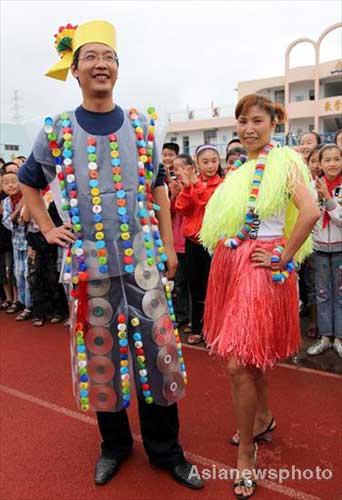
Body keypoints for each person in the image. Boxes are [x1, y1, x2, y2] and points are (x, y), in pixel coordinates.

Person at [18, 20, 203, 490]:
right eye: (91, 57)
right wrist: (46, 225)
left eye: (109, 57)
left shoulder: (142, 126)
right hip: (88, 269)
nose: (101, 65)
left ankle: (166, 451)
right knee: (103, 359)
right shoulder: (57, 131)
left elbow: (159, 187)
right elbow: (29, 182)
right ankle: (114, 446)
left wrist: (165, 243)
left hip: (143, 267)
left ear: (117, 69)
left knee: (159, 357)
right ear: (76, 70)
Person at [200, 94, 319, 499]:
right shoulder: (241, 169)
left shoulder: (284, 163)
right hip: (232, 266)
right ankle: (264, 418)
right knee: (251, 359)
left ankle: (247, 455)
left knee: (236, 364)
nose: (248, 128)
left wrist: (283, 258)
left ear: (273, 124)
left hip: (260, 268)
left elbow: (310, 211)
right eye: (242, 122)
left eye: (256, 121)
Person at [176, 144, 223, 344]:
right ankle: (197, 327)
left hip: (212, 244)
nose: (210, 165)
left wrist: (196, 185)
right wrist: (187, 187)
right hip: (193, 242)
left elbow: (211, 206)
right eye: (205, 162)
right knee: (194, 287)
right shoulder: (192, 183)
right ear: (197, 163)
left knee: (214, 288)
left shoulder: (223, 184)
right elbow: (182, 208)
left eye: (214, 161)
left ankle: (214, 329)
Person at [307, 144, 342, 358]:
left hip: (340, 249)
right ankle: (325, 337)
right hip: (319, 249)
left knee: (340, 295)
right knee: (322, 294)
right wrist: (318, 200)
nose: (332, 163)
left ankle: (339, 338)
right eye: (327, 160)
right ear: (319, 164)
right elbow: (308, 218)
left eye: (337, 159)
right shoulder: (312, 187)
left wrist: (328, 199)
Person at [1, 170, 32, 319]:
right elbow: (7, 222)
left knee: (28, 274)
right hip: (15, 243)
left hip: (30, 243)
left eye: (14, 181)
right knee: (18, 274)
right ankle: (22, 302)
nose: (10, 185)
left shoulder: (28, 197)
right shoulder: (6, 202)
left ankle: (29, 306)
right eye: (6, 183)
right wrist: (18, 210)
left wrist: (21, 211)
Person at [169, 154, 193, 331]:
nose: (176, 171)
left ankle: (194, 318)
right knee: (179, 283)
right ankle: (183, 315)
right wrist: (174, 195)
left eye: (179, 168)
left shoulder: (195, 185)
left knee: (193, 283)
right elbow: (169, 212)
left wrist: (186, 190)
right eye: (174, 168)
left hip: (191, 241)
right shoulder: (173, 188)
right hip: (176, 242)